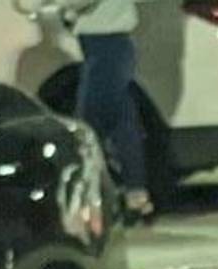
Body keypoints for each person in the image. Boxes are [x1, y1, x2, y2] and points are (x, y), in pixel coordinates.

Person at [63, 0, 153, 220]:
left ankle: (90, 198)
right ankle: (135, 194)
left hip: (105, 44)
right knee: (121, 119)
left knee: (88, 123)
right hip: (110, 44)